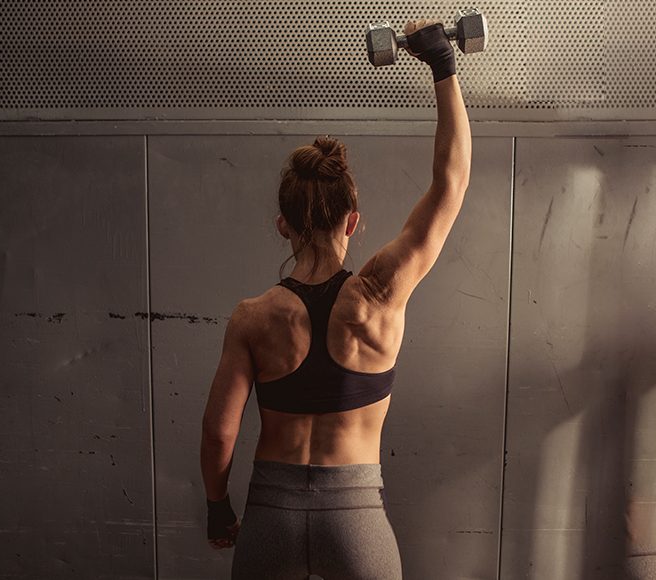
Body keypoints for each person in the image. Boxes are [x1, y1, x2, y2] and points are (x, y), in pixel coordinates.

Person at [199, 17, 471, 580]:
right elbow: (451, 184)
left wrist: (217, 505)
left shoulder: (252, 319)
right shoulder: (379, 295)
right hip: (356, 519)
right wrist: (443, 65)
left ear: (283, 225)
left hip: (271, 514)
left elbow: (219, 431)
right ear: (353, 221)